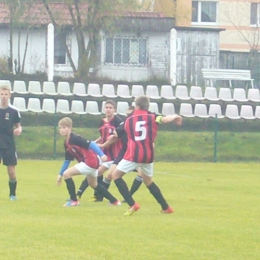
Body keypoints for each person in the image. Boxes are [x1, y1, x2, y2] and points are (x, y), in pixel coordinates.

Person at [112, 95, 182, 215]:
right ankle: (166, 207)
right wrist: (175, 116)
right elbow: (165, 119)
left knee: (116, 175)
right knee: (148, 181)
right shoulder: (153, 117)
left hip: (134, 154)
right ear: (148, 106)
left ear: (137, 106)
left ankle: (132, 204)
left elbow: (116, 133)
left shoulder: (129, 119)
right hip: (148, 155)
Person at [57, 117, 121, 207]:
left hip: (90, 161)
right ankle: (114, 201)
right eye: (60, 128)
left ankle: (73, 200)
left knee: (67, 174)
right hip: (92, 162)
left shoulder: (75, 138)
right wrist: (60, 174)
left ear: (70, 128)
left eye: (64, 127)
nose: (62, 130)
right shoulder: (66, 142)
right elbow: (67, 160)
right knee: (93, 184)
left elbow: (91, 144)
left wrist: (102, 154)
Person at [76, 100, 123, 201]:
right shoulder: (102, 121)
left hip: (115, 154)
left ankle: (100, 196)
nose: (108, 109)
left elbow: (116, 138)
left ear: (115, 110)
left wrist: (102, 145)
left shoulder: (118, 121)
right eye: (106, 107)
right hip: (104, 153)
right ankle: (91, 195)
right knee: (97, 172)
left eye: (110, 108)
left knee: (109, 175)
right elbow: (103, 136)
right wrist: (94, 143)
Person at [0, 85, 22, 200]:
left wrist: (19, 130)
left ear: (9, 95)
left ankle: (12, 195)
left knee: (11, 171)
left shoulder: (14, 111)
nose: (3, 97)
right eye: (1, 94)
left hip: (9, 143)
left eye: (5, 94)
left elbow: (19, 126)